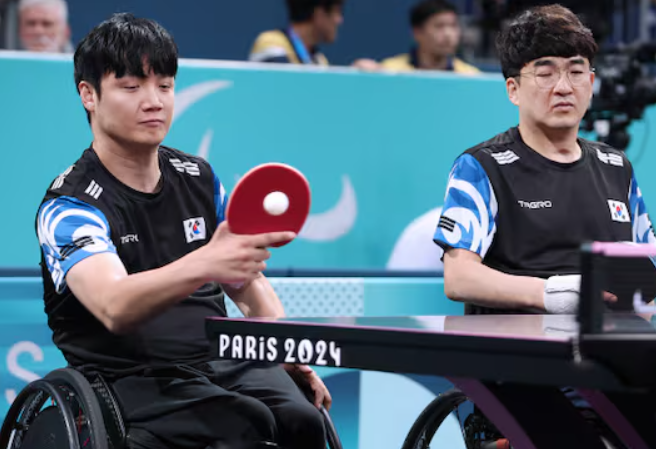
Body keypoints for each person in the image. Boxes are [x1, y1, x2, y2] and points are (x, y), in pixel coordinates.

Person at [36, 13, 330, 449]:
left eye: (165, 85)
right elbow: (114, 305)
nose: (154, 101)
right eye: (132, 87)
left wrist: (281, 348)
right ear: (89, 95)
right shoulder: (72, 205)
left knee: (302, 420)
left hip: (217, 359)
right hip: (127, 376)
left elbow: (247, 282)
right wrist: (205, 262)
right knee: (244, 423)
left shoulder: (199, 178)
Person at [433, 4, 656, 315]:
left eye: (576, 72)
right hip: (516, 342)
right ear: (513, 89)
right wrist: (554, 293)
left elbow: (649, 271)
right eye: (545, 74)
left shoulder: (616, 166)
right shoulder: (481, 166)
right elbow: (459, 279)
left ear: (591, 83)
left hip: (608, 340)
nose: (564, 87)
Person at [380, 0, 479, 74]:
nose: (448, 34)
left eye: (453, 26)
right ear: (417, 32)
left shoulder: (470, 76)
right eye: (439, 26)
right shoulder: (388, 71)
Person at [249, 0, 343, 65]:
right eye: (337, 12)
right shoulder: (270, 44)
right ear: (319, 14)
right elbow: (284, 86)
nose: (339, 20)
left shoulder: (320, 61)